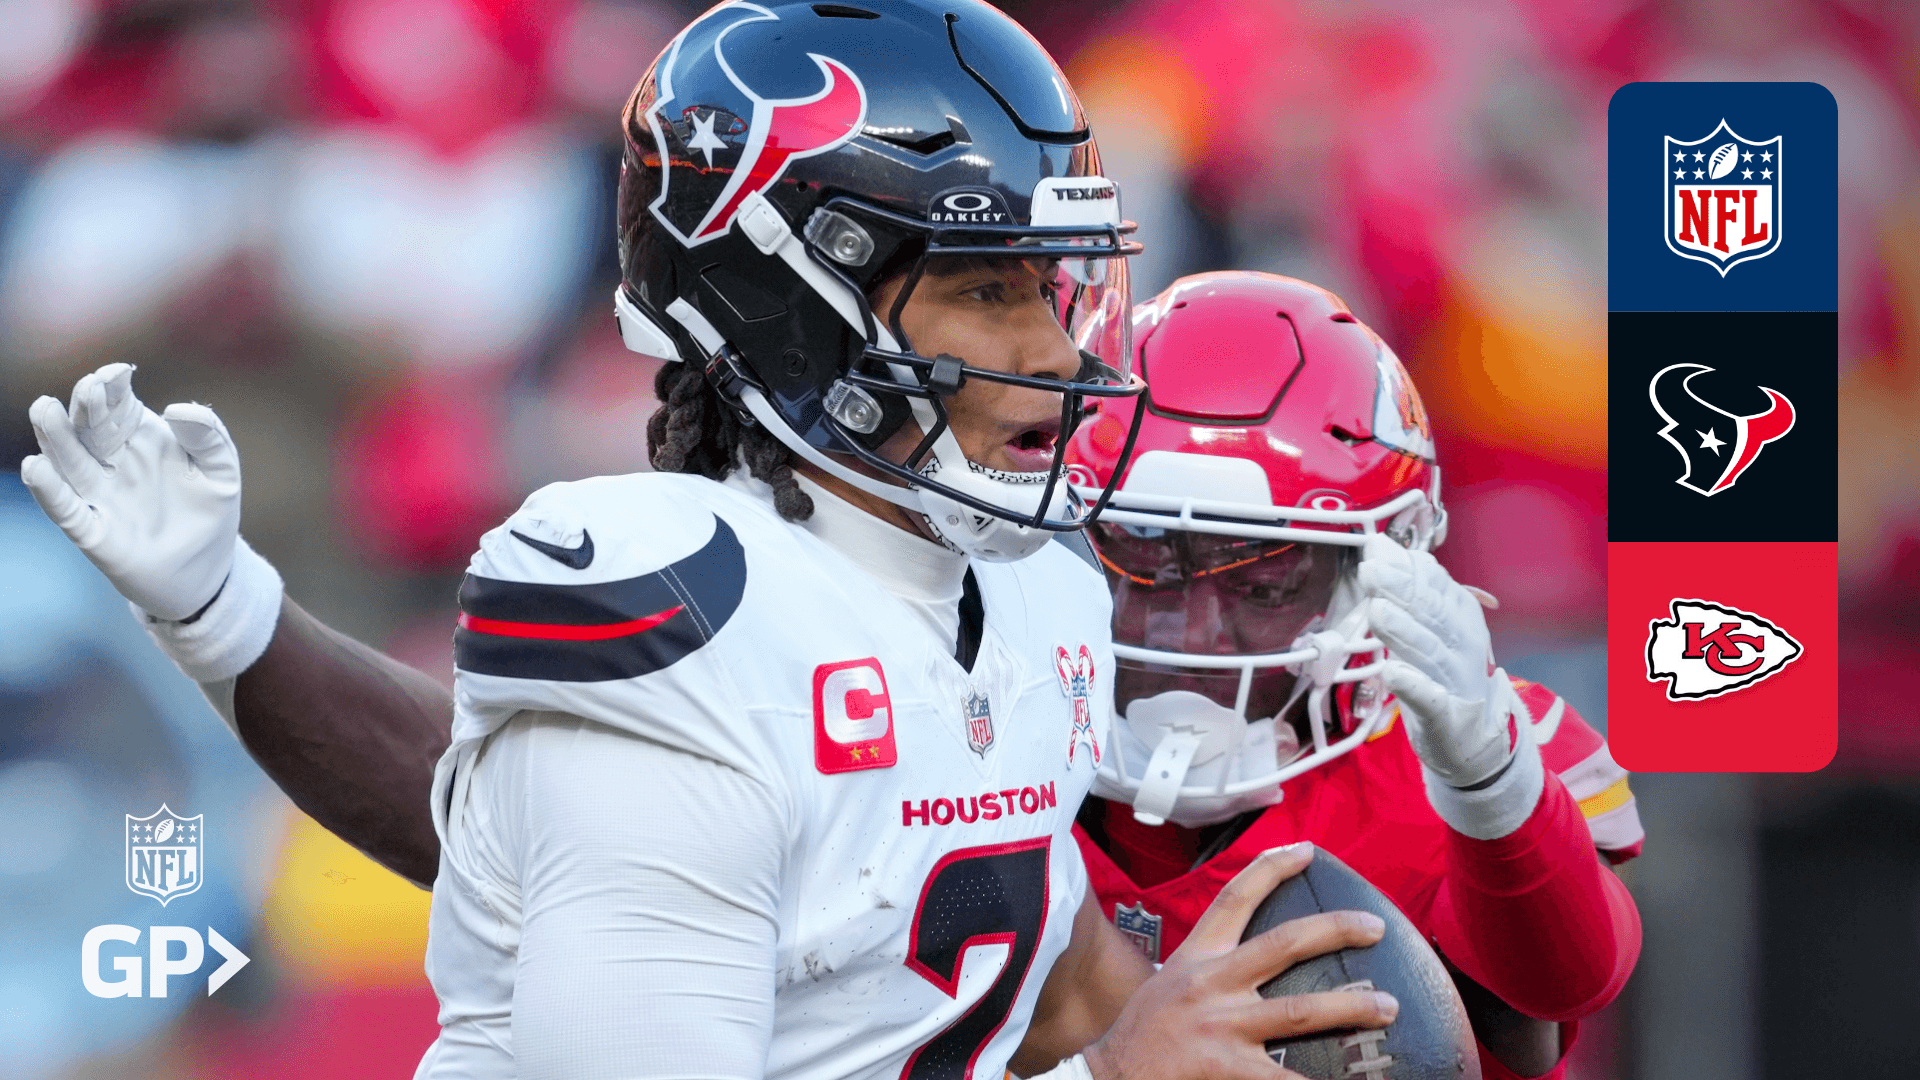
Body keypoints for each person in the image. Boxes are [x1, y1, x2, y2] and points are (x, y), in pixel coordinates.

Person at [20, 3, 1397, 1079]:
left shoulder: (1030, 590)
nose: (1054, 354)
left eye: (1055, 288)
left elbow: (1022, 968)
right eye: (987, 294)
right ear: (793, 308)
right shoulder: (683, 619)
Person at [1065, 271, 1644, 1080]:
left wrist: (1493, 788)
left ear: (1377, 573)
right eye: (1145, 561)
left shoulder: (1470, 745)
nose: (1191, 634)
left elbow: (1567, 984)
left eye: (1262, 584)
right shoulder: (994, 726)